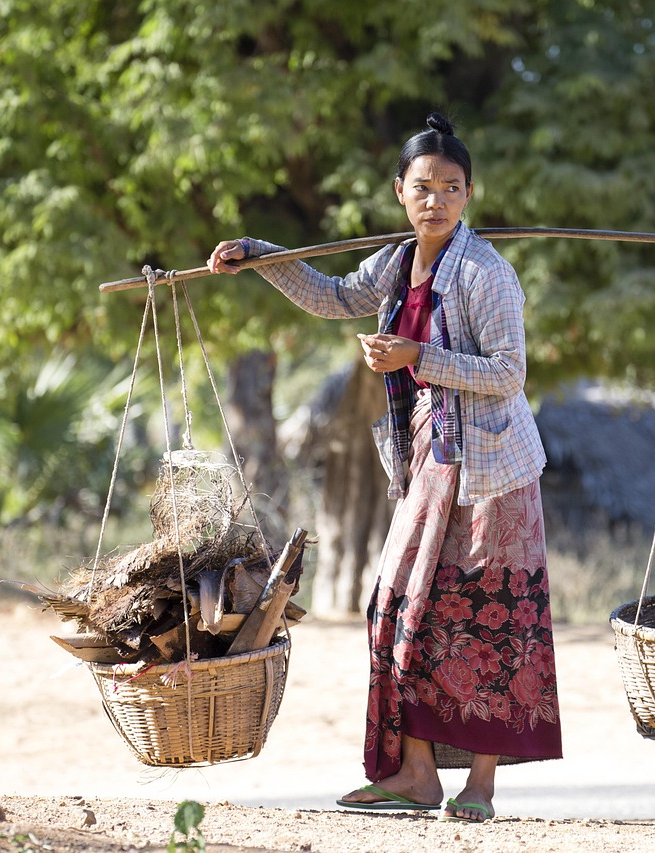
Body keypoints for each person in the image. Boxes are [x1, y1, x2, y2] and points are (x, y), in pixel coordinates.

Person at [207, 112, 562, 824]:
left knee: (487, 615)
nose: (436, 199)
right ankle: (419, 776)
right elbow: (333, 295)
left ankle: (481, 789)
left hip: (495, 467)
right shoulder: (398, 264)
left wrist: (416, 358)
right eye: (423, 186)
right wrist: (261, 255)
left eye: (452, 187)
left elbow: (509, 373)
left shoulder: (487, 273)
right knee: (397, 610)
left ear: (468, 196)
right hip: (433, 454)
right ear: (400, 190)